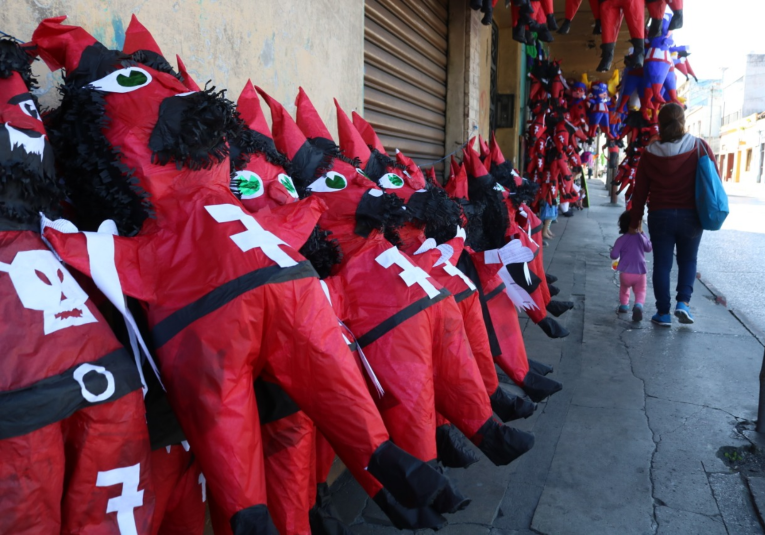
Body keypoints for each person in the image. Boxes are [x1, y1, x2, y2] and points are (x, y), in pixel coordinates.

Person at [629, 103, 717, 326]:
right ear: (683, 122)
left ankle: (663, 313)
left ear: (660, 123)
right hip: (692, 216)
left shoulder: (649, 153)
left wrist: (635, 221)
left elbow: (640, 192)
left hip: (660, 215)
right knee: (688, 260)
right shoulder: (699, 147)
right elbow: (714, 179)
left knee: (662, 264)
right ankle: (683, 304)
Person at [611, 211, 653, 321]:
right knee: (640, 291)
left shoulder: (621, 239)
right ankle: (638, 305)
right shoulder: (640, 237)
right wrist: (642, 233)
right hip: (640, 272)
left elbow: (614, 255)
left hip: (625, 272)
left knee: (624, 289)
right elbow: (649, 248)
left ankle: (624, 305)